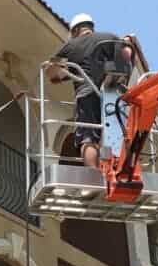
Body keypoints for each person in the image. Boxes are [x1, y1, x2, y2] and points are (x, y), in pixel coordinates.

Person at [49, 13, 134, 168]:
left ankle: (93, 177)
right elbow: (127, 54)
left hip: (87, 95)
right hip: (113, 98)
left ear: (75, 31)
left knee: (88, 139)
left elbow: (52, 73)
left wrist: (63, 73)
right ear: (91, 28)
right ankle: (122, 169)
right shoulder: (109, 37)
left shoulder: (72, 45)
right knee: (118, 136)